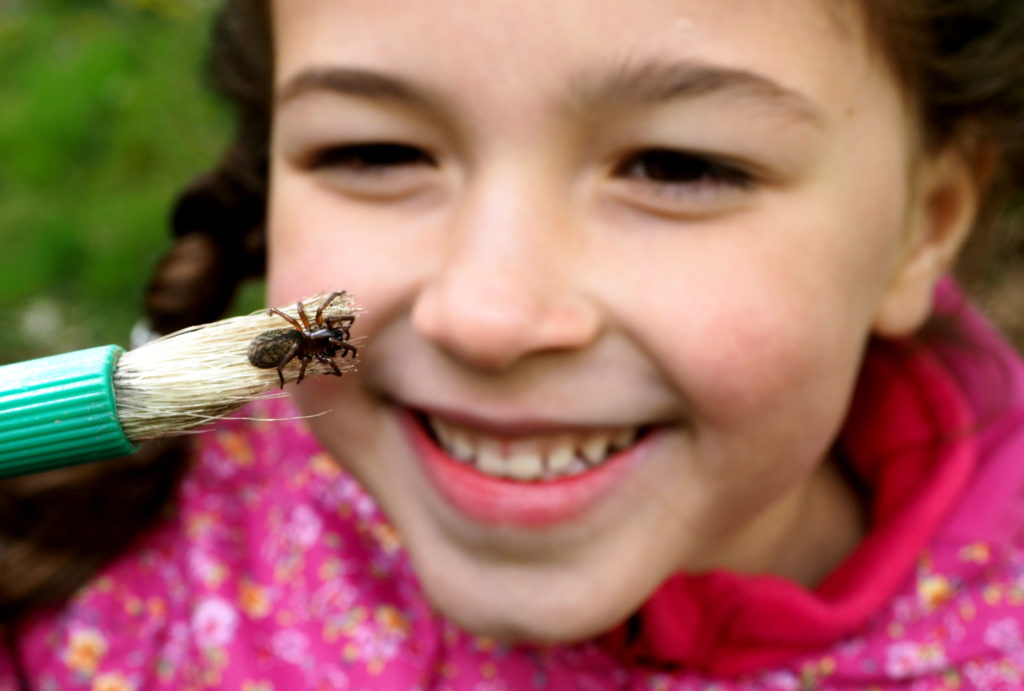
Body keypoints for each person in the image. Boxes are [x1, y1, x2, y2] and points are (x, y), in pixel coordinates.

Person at [2, 0, 1024, 688]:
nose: (484, 316)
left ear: (922, 223)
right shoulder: (123, 563)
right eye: (376, 150)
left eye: (675, 165)